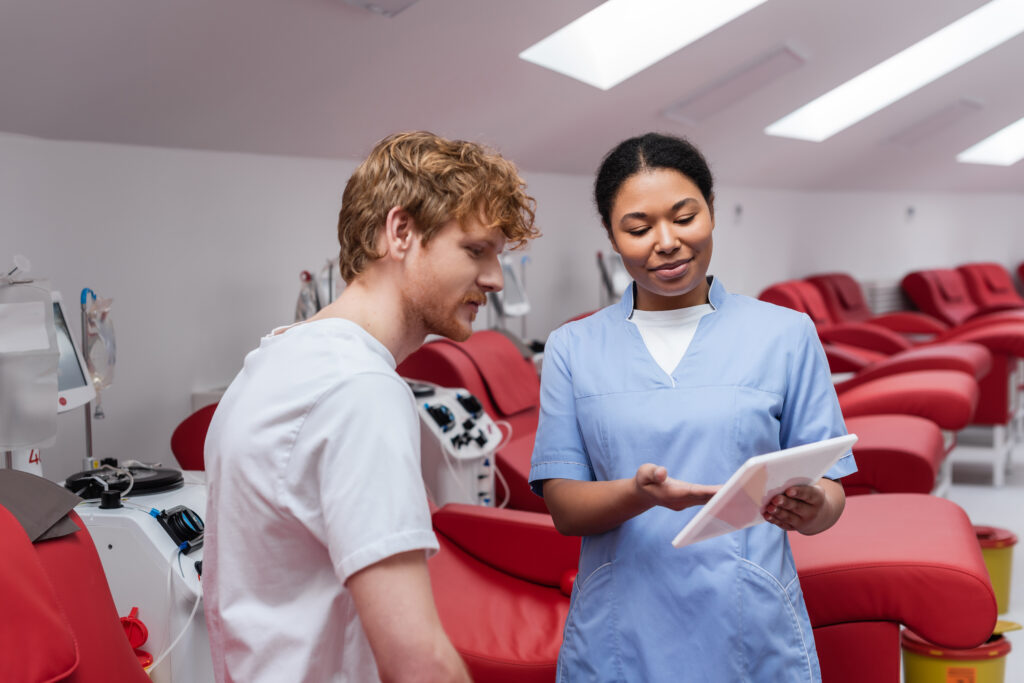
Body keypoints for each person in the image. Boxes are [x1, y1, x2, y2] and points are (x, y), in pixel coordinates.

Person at [204, 131, 539, 682]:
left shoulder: (274, 357)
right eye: (476, 250)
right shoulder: (360, 390)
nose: (495, 280)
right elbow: (417, 659)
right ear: (401, 231)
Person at [529, 132, 856, 682]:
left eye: (685, 217)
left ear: (711, 212)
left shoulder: (786, 334)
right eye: (638, 228)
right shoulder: (573, 348)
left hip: (750, 623)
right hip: (621, 630)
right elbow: (564, 507)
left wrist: (814, 507)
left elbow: (832, 492)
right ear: (612, 237)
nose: (667, 242)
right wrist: (637, 494)